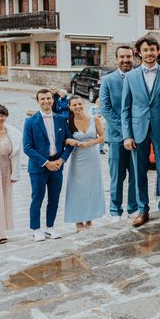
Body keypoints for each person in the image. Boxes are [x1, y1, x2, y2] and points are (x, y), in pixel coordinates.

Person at [122, 36, 160, 227]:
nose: (149, 53)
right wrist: (127, 135)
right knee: (139, 172)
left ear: (157, 51)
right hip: (138, 130)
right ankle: (142, 210)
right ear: (139, 52)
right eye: (145, 50)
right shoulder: (130, 77)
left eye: (152, 50)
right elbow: (126, 108)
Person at [23, 89, 74, 241]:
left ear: (53, 100)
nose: (46, 101)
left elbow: (70, 143)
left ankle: (50, 227)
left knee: (54, 198)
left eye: (48, 98)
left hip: (57, 166)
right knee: (37, 198)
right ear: (38, 101)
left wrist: (61, 160)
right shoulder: (30, 122)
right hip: (39, 167)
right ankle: (36, 229)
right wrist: (46, 163)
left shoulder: (61, 119)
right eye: (42, 99)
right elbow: (27, 147)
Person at [99, 46, 138, 219]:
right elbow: (106, 109)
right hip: (116, 137)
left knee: (136, 175)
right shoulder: (107, 80)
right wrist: (126, 132)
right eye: (122, 57)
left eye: (128, 56)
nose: (125, 60)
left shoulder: (139, 77)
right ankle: (115, 210)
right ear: (116, 59)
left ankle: (133, 208)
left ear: (133, 58)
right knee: (117, 176)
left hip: (138, 136)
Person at [64, 96, 106, 230]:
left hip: (92, 158)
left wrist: (88, 143)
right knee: (77, 189)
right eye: (74, 105)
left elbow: (103, 137)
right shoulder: (68, 122)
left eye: (79, 104)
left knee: (91, 188)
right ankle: (77, 220)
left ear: (84, 104)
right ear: (70, 107)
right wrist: (71, 141)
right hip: (77, 159)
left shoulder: (95, 119)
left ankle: (89, 218)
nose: (77, 107)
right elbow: (64, 139)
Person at [0, 105, 21, 245]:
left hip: (4, 170)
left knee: (3, 200)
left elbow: (15, 155)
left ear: (6, 117)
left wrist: (15, 173)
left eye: (2, 115)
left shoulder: (13, 133)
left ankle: (1, 232)